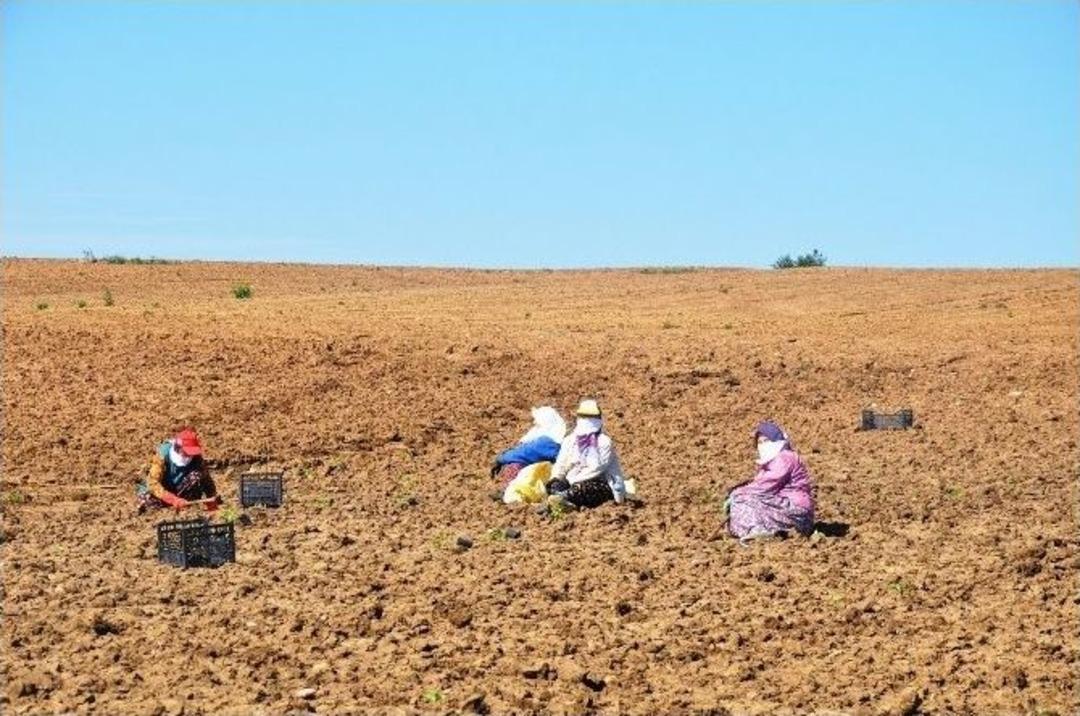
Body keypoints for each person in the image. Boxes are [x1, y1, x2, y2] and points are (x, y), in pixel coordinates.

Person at [725, 421, 814, 541]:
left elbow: (765, 486)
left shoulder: (784, 457)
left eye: (766, 441)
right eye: (760, 443)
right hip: (789, 509)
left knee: (742, 498)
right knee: (743, 499)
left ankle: (757, 530)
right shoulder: (773, 460)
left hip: (797, 512)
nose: (762, 445)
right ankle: (761, 530)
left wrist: (738, 492)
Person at [546, 399, 628, 509]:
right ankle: (565, 501)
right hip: (573, 483)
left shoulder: (604, 442)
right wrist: (556, 479)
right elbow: (561, 464)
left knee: (584, 488)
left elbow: (596, 469)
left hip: (599, 484)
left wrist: (573, 483)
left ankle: (563, 500)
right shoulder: (570, 440)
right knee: (553, 486)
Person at [137, 427, 220, 512]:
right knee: (147, 500)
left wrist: (211, 498)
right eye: (187, 452)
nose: (190, 456)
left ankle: (186, 507)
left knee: (197, 475)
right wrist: (172, 499)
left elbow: (207, 480)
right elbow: (153, 482)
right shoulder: (163, 455)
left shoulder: (196, 457)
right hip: (161, 491)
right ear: (179, 448)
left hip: (180, 489)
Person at [490, 406, 566, 491]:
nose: (534, 423)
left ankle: (508, 491)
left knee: (514, 465)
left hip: (536, 475)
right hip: (551, 476)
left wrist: (500, 459)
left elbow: (521, 454)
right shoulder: (560, 440)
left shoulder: (544, 442)